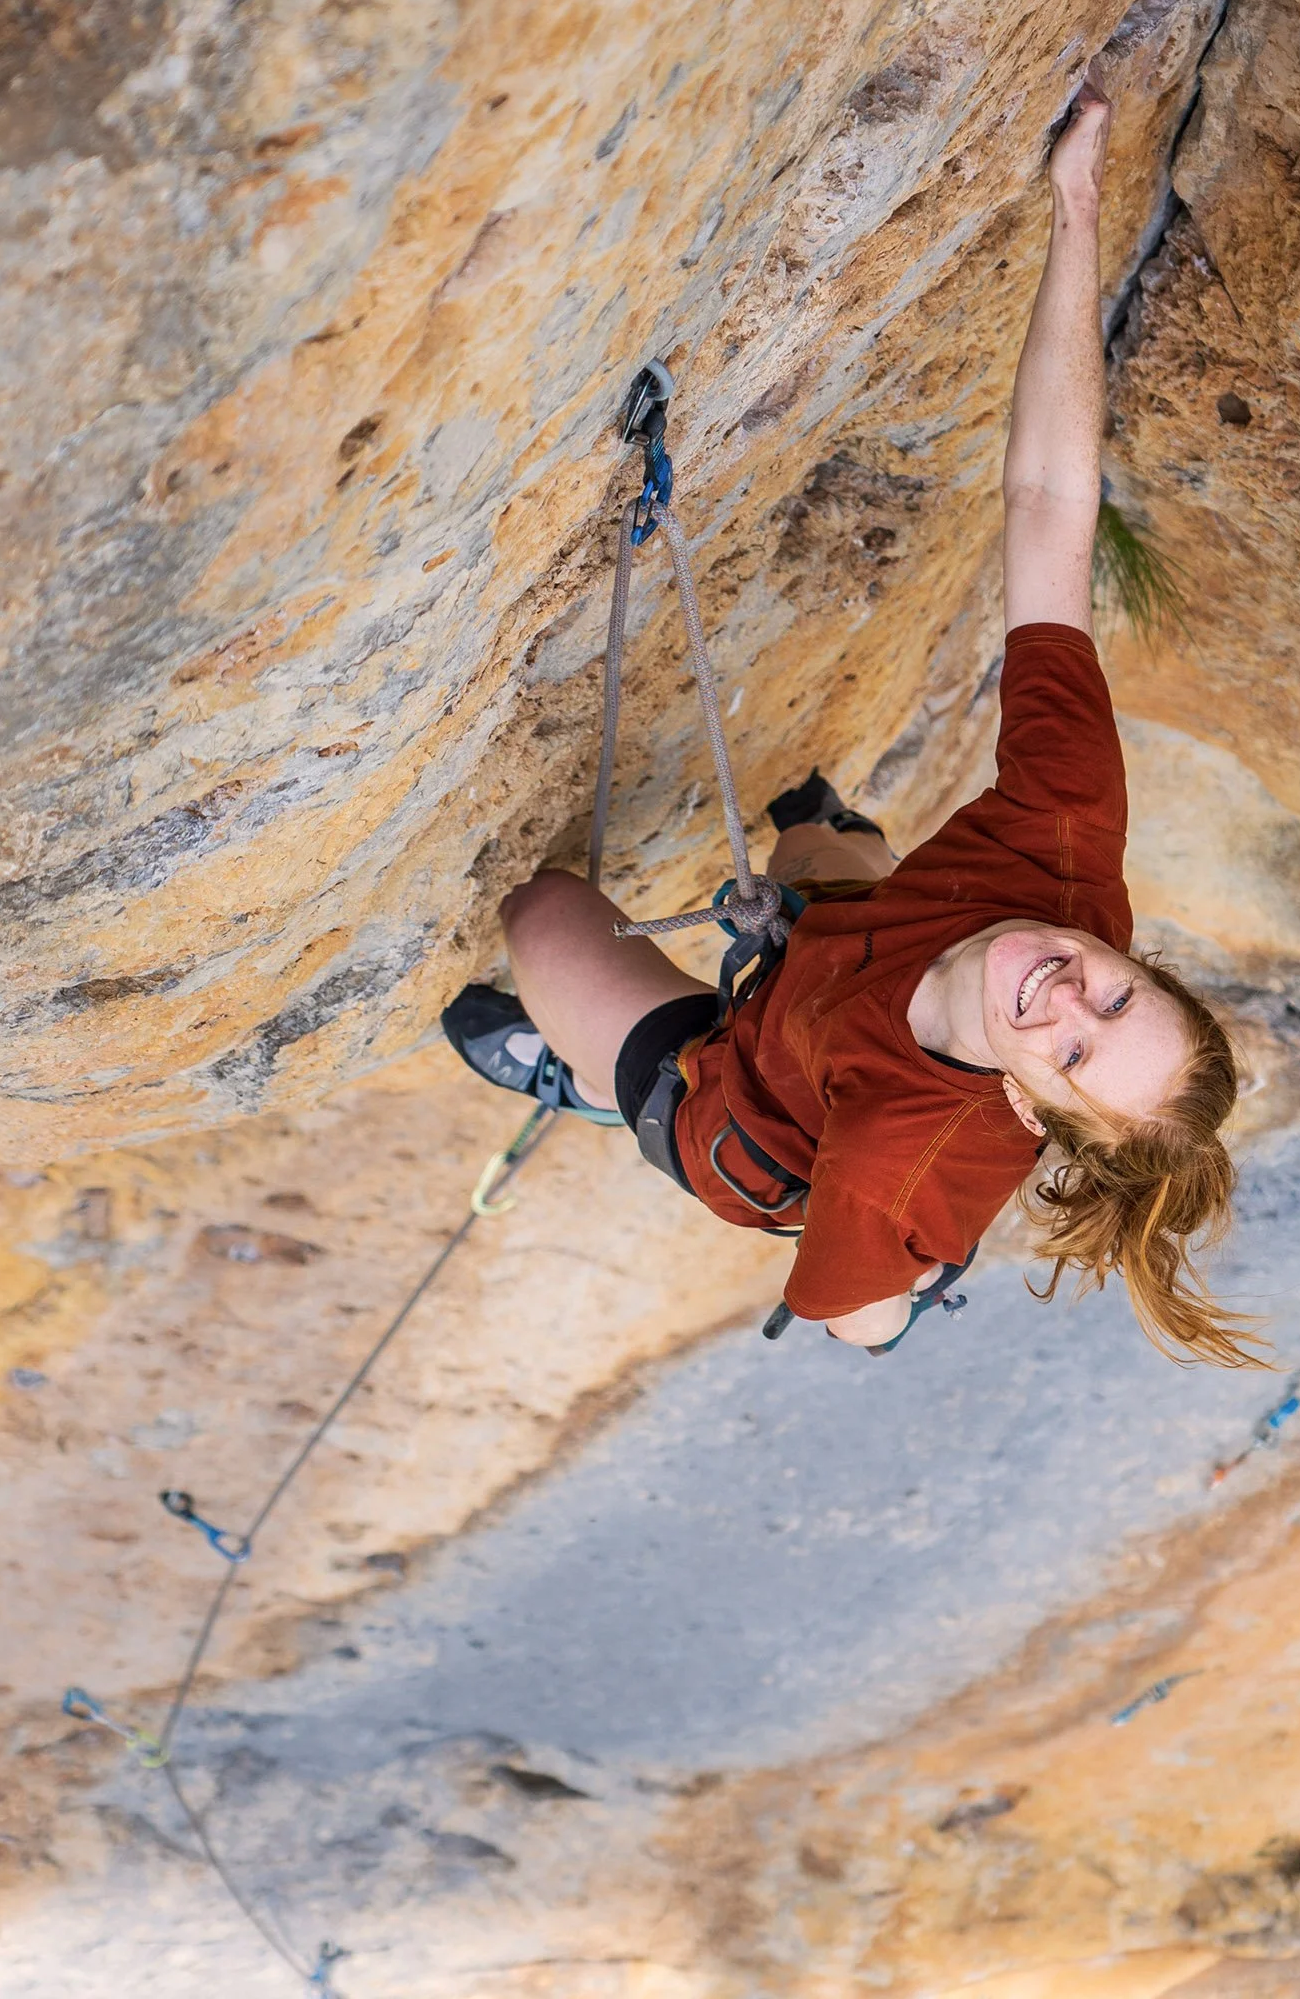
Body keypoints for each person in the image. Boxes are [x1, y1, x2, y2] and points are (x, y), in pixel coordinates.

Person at [444, 89, 1257, 1365]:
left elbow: (854, 1322)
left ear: (1031, 1110)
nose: (1063, 995)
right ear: (1141, 955)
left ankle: (587, 1077)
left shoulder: (903, 1152)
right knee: (814, 859)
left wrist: (910, 1265)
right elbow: (1051, 500)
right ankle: (828, 875)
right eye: (1118, 988)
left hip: (753, 1113)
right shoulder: (1065, 835)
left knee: (544, 915)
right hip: (830, 970)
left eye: (1074, 1052)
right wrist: (1078, 204)